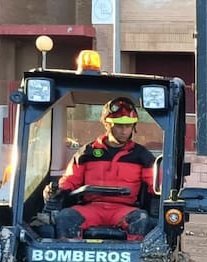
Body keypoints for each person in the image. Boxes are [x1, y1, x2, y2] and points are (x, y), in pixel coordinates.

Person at [44, 97, 155, 239]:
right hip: (91, 207)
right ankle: (71, 260)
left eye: (128, 126)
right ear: (107, 125)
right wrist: (57, 189)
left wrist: (165, 190)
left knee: (141, 218)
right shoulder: (87, 152)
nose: (124, 131)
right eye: (119, 125)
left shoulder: (142, 156)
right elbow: (71, 179)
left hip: (124, 210)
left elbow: (155, 184)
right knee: (66, 217)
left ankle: (136, 260)